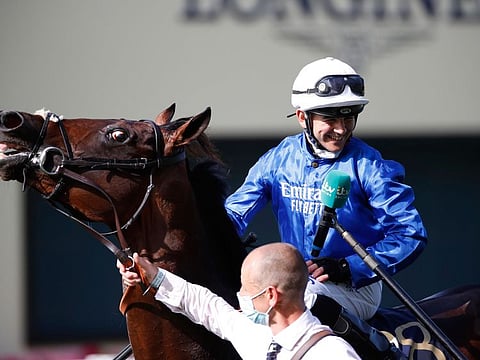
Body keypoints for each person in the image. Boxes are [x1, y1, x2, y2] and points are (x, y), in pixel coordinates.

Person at [224, 57, 427, 358]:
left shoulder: (370, 166)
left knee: (301, 297)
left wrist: (348, 267)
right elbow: (233, 215)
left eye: (349, 118)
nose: (341, 129)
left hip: (356, 286)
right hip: (290, 281)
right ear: (302, 117)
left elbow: (410, 234)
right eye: (330, 119)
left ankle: (378, 352)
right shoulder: (279, 158)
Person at [119, 243, 361, 359]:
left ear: (270, 295)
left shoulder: (333, 354)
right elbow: (208, 307)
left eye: (246, 288)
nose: (240, 295)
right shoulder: (259, 334)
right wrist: (153, 276)